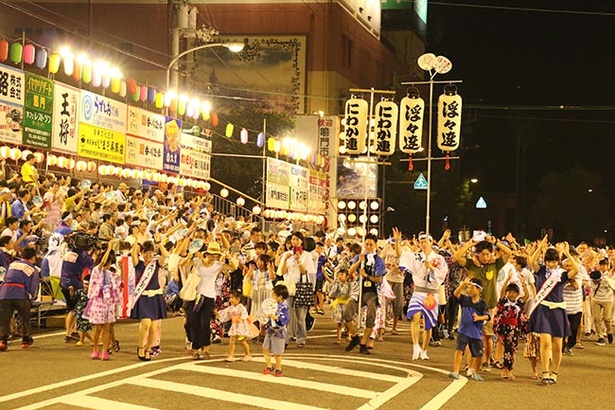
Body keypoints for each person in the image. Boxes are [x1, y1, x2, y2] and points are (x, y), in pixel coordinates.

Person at [454, 235, 511, 371]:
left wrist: (496, 242)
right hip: (472, 305)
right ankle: (470, 363)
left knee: (488, 336)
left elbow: (509, 253)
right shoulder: (471, 264)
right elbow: (456, 257)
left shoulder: (495, 264)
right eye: (483, 254)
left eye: (488, 253)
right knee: (470, 335)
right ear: (477, 254)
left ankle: (487, 361)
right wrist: (468, 244)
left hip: (490, 305)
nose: (486, 257)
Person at [528, 238, 579, 385]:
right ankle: (545, 373)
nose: (551, 264)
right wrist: (539, 248)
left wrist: (567, 254)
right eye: (548, 261)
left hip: (557, 310)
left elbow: (575, 270)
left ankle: (554, 373)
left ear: (557, 261)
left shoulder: (562, 274)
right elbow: (531, 261)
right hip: (543, 309)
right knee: (545, 341)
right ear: (545, 261)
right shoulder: (541, 270)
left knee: (557, 344)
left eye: (554, 261)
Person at [396, 229, 449, 360]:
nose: (423, 243)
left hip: (431, 294)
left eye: (426, 241)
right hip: (418, 291)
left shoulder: (438, 258)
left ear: (431, 242)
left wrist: (431, 267)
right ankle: (415, 346)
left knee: (428, 323)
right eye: (421, 241)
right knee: (414, 317)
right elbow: (401, 255)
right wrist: (397, 241)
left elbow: (442, 274)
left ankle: (424, 350)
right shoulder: (416, 256)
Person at [346, 233, 386, 354]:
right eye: (366, 244)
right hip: (358, 290)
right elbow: (350, 271)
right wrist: (359, 262)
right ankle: (354, 337)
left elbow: (379, 279)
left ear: (375, 245)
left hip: (372, 292)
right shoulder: (359, 257)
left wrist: (366, 275)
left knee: (370, 315)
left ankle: (364, 342)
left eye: (371, 244)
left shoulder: (378, 260)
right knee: (347, 313)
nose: (368, 246)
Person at [130, 240, 168, 361]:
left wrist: (159, 243)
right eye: (146, 252)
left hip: (155, 297)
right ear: (141, 253)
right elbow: (132, 253)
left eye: (151, 252)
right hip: (143, 297)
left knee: (154, 327)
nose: (148, 255)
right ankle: (141, 347)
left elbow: (165, 255)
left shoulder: (156, 263)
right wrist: (136, 240)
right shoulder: (138, 264)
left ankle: (149, 349)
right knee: (146, 323)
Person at [84, 240, 122, 360]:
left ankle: (105, 350)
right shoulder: (96, 270)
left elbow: (120, 283)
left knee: (107, 327)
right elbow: (102, 262)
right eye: (107, 263)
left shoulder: (110, 274)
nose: (108, 265)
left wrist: (122, 268)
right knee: (98, 328)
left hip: (109, 302)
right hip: (99, 301)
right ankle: (95, 349)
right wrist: (109, 248)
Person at [448, 277, 490, 381]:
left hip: (476, 333)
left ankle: (476, 372)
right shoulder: (465, 300)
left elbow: (488, 316)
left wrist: (479, 318)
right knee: (459, 350)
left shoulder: (482, 304)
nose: (469, 290)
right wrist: (463, 284)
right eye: (468, 288)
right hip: (463, 330)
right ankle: (456, 371)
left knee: (478, 354)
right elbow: (455, 294)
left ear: (479, 290)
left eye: (472, 288)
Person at [0, 247, 40, 351]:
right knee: (24, 316)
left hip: (4, 293)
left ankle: (3, 341)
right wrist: (32, 299)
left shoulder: (12, 264)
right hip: (20, 293)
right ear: (33, 258)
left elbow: (5, 278)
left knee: (4, 318)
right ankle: (25, 340)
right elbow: (33, 287)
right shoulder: (33, 269)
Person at [492, 274, 530, 380]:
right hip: (504, 328)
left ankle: (509, 370)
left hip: (514, 329)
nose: (511, 294)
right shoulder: (504, 302)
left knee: (513, 350)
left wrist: (524, 284)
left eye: (514, 292)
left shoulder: (518, 303)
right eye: (510, 292)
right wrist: (507, 279)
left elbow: (527, 295)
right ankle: (505, 371)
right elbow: (502, 291)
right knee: (508, 350)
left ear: (517, 294)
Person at [262, 283, 290, 377]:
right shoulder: (273, 304)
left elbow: (284, 319)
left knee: (277, 352)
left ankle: (279, 368)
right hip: (270, 330)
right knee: (265, 348)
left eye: (273, 295)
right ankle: (269, 366)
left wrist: (277, 318)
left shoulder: (284, 307)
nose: (272, 297)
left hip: (279, 332)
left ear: (280, 297)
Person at [219, 290, 252, 362]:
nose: (230, 300)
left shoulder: (241, 307)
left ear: (238, 299)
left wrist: (240, 318)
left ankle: (248, 354)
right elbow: (225, 313)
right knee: (232, 340)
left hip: (241, 327)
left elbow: (245, 314)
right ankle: (231, 355)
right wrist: (217, 314)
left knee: (243, 341)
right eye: (230, 298)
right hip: (234, 326)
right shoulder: (230, 308)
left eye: (232, 298)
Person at [588, 259, 615, 345]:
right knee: (596, 318)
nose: (595, 282)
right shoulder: (591, 280)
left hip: (607, 300)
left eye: (596, 281)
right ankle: (600, 337)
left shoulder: (606, 279)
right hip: (596, 300)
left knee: (607, 318)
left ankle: (609, 331)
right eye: (594, 281)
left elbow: (614, 288)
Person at [74, 275, 93, 347]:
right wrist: (71, 291)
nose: (86, 286)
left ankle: (82, 340)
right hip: (79, 311)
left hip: (87, 313)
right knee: (80, 326)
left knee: (84, 326)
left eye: (88, 284)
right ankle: (91, 339)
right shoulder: (80, 291)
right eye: (85, 284)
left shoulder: (92, 294)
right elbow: (74, 299)